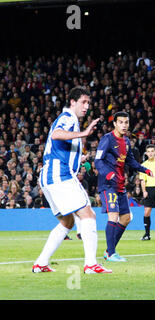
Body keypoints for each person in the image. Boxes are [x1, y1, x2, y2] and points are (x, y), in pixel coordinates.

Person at [32, 86, 111, 274]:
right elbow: (56, 134)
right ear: (72, 102)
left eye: (88, 103)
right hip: (61, 176)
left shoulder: (69, 119)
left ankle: (41, 263)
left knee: (67, 222)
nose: (86, 107)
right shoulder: (68, 117)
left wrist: (78, 158)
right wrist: (84, 133)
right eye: (83, 102)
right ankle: (91, 264)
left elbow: (58, 145)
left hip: (49, 177)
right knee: (88, 214)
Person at [95, 111, 153, 262]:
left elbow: (131, 162)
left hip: (120, 184)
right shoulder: (107, 139)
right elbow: (98, 161)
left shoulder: (126, 141)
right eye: (120, 122)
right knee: (113, 216)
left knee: (126, 218)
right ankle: (111, 253)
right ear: (114, 123)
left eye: (126, 122)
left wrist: (144, 169)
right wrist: (108, 174)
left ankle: (109, 250)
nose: (124, 125)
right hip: (108, 184)